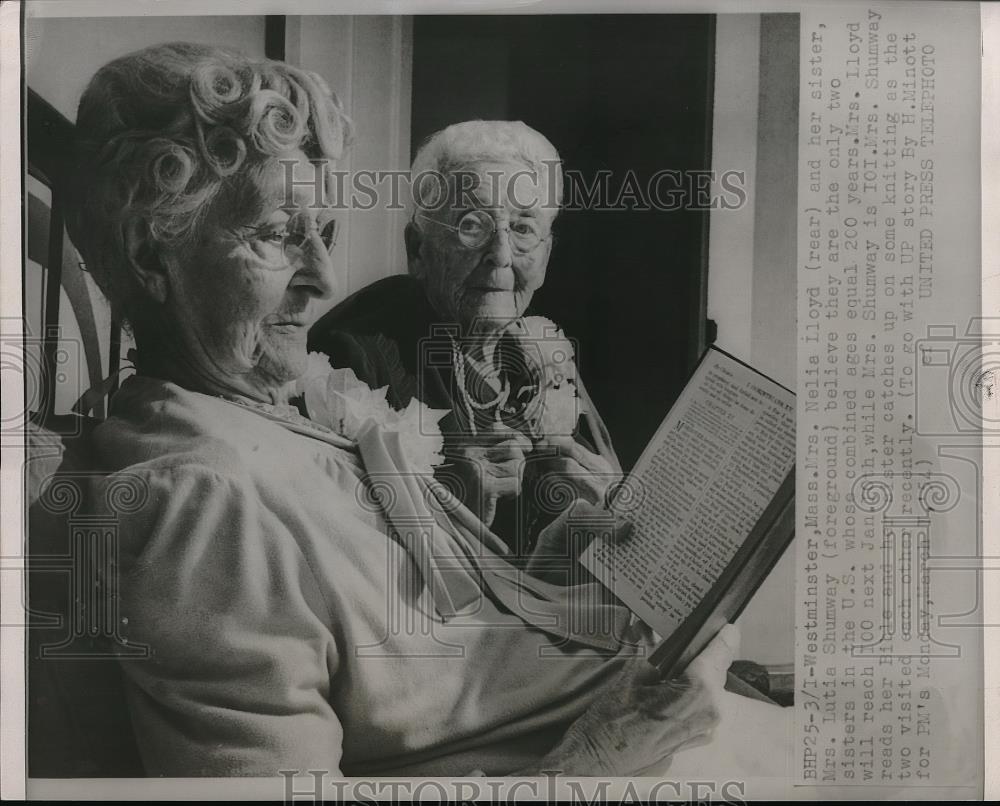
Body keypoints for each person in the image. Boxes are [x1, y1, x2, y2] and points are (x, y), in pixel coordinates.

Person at [65, 42, 735, 778]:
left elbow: (415, 628)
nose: (321, 279)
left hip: (608, 695)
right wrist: (607, 753)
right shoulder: (205, 495)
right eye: (277, 236)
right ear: (149, 255)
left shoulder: (266, 404)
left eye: (322, 234)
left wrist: (551, 560)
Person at [308, 121, 619, 555]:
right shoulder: (354, 356)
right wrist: (454, 508)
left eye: (525, 229)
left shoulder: (543, 351)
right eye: (472, 226)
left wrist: (603, 507)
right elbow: (339, 557)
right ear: (418, 250)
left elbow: (605, 515)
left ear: (547, 254)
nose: (501, 255)